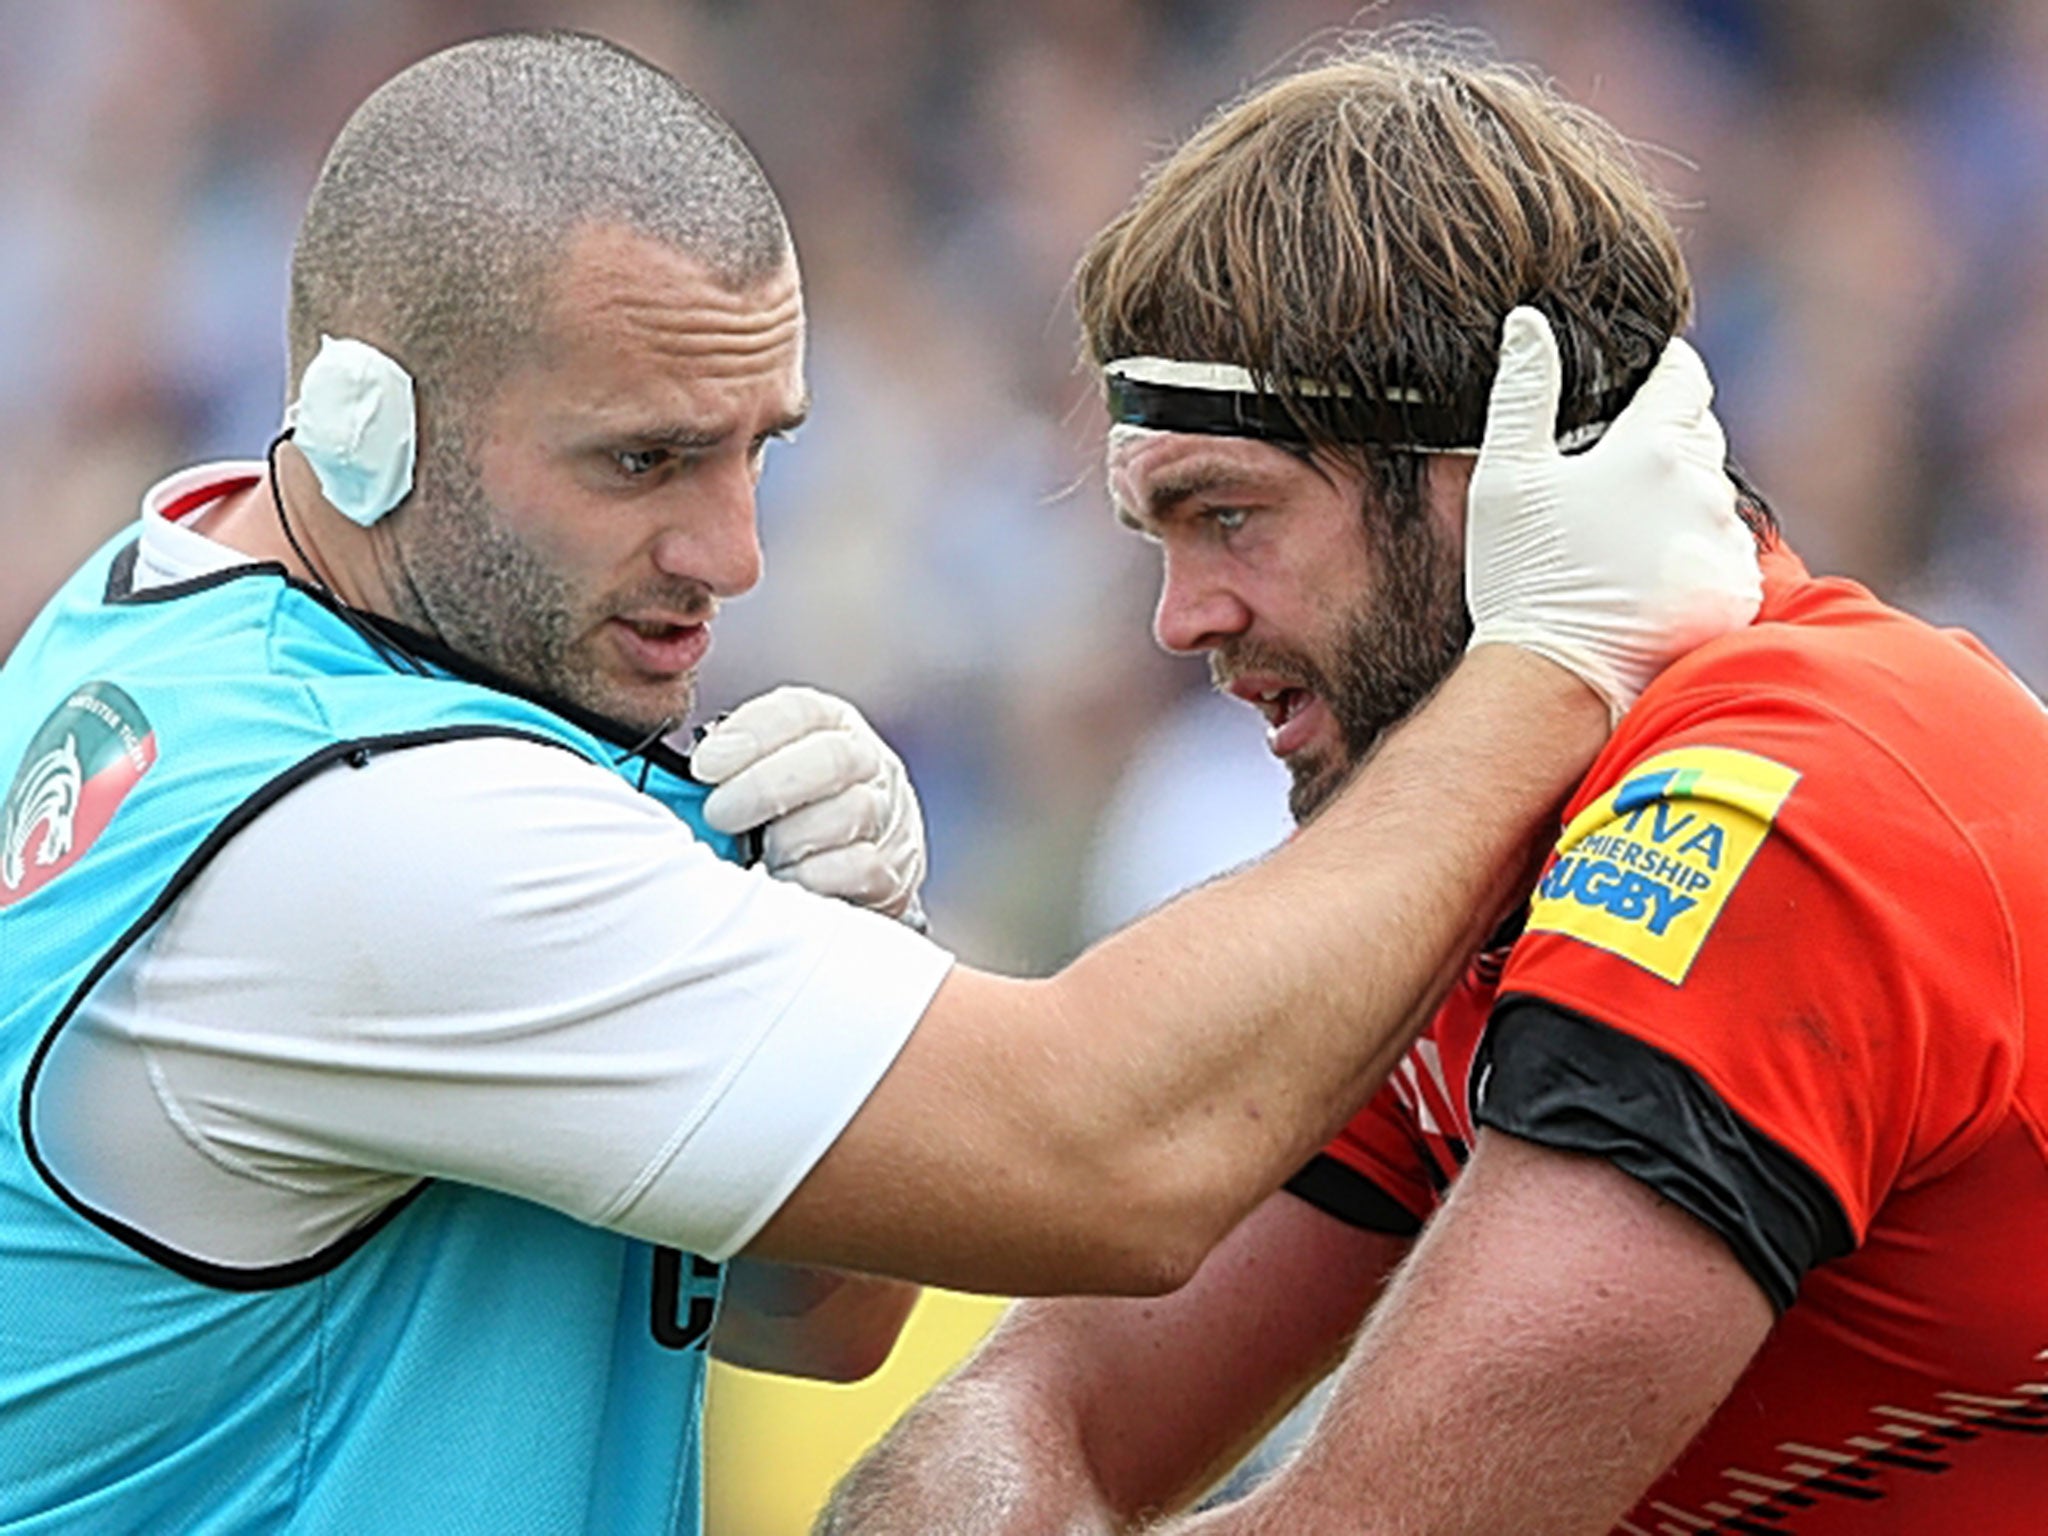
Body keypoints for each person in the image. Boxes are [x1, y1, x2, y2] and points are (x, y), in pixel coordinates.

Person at [0, 29, 1756, 1535]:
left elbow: (812, 1316)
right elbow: (1118, 1164)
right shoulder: (377, 839)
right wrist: (1552, 661)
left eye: (760, 448)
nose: (734, 552)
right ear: (373, 427)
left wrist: (836, 949)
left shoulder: (163, 607)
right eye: (645, 461)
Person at [821, 31, 2048, 1536]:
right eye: (1162, 537)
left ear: (1501, 475)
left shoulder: (1783, 794)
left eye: (1233, 517)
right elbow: (1038, 1412)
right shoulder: (1503, 848)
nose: (1181, 618)